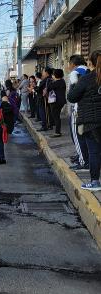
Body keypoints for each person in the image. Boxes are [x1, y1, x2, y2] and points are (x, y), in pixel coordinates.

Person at [68, 50, 101, 191]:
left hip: (91, 121)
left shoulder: (86, 79)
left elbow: (72, 97)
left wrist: (74, 83)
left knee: (94, 152)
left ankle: (95, 182)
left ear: (91, 63)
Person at [67, 55, 89, 170]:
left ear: (73, 63)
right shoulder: (88, 70)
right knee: (86, 137)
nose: (68, 66)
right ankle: (84, 158)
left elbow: (73, 94)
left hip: (78, 109)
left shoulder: (75, 73)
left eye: (69, 64)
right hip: (88, 109)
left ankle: (83, 161)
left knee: (77, 136)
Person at [48, 69, 67, 138]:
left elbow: (49, 87)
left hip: (56, 101)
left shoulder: (57, 82)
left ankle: (57, 132)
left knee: (56, 116)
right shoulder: (62, 81)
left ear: (55, 75)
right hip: (61, 101)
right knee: (57, 116)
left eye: (53, 74)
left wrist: (52, 80)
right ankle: (57, 131)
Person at [37, 67, 53, 131]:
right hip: (48, 98)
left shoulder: (46, 79)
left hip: (43, 98)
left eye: (43, 71)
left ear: (46, 72)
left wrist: (34, 88)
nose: (42, 73)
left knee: (43, 112)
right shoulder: (51, 78)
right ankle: (49, 124)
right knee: (48, 112)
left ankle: (44, 126)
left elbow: (39, 89)